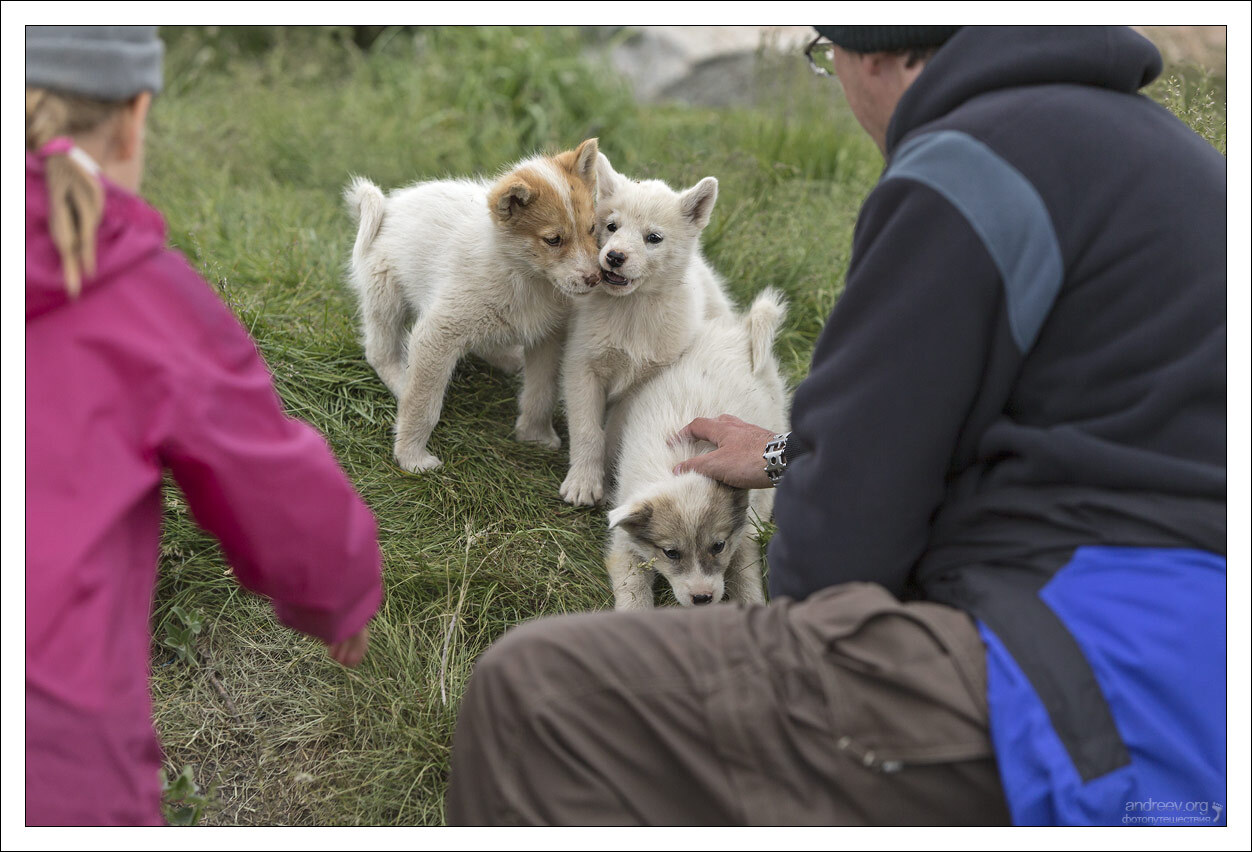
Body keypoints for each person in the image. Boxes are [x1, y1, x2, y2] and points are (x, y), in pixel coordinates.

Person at [446, 25, 1226, 826]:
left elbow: (843, 544)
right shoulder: (1181, 158)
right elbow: (982, 433)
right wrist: (786, 453)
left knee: (532, 692)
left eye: (825, 58)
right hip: (1196, 658)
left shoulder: (970, 168)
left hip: (1104, 701)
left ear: (874, 53)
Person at [25, 27, 384, 826]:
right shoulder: (139, 295)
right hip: (54, 766)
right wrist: (340, 591)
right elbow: (270, 478)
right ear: (134, 118)